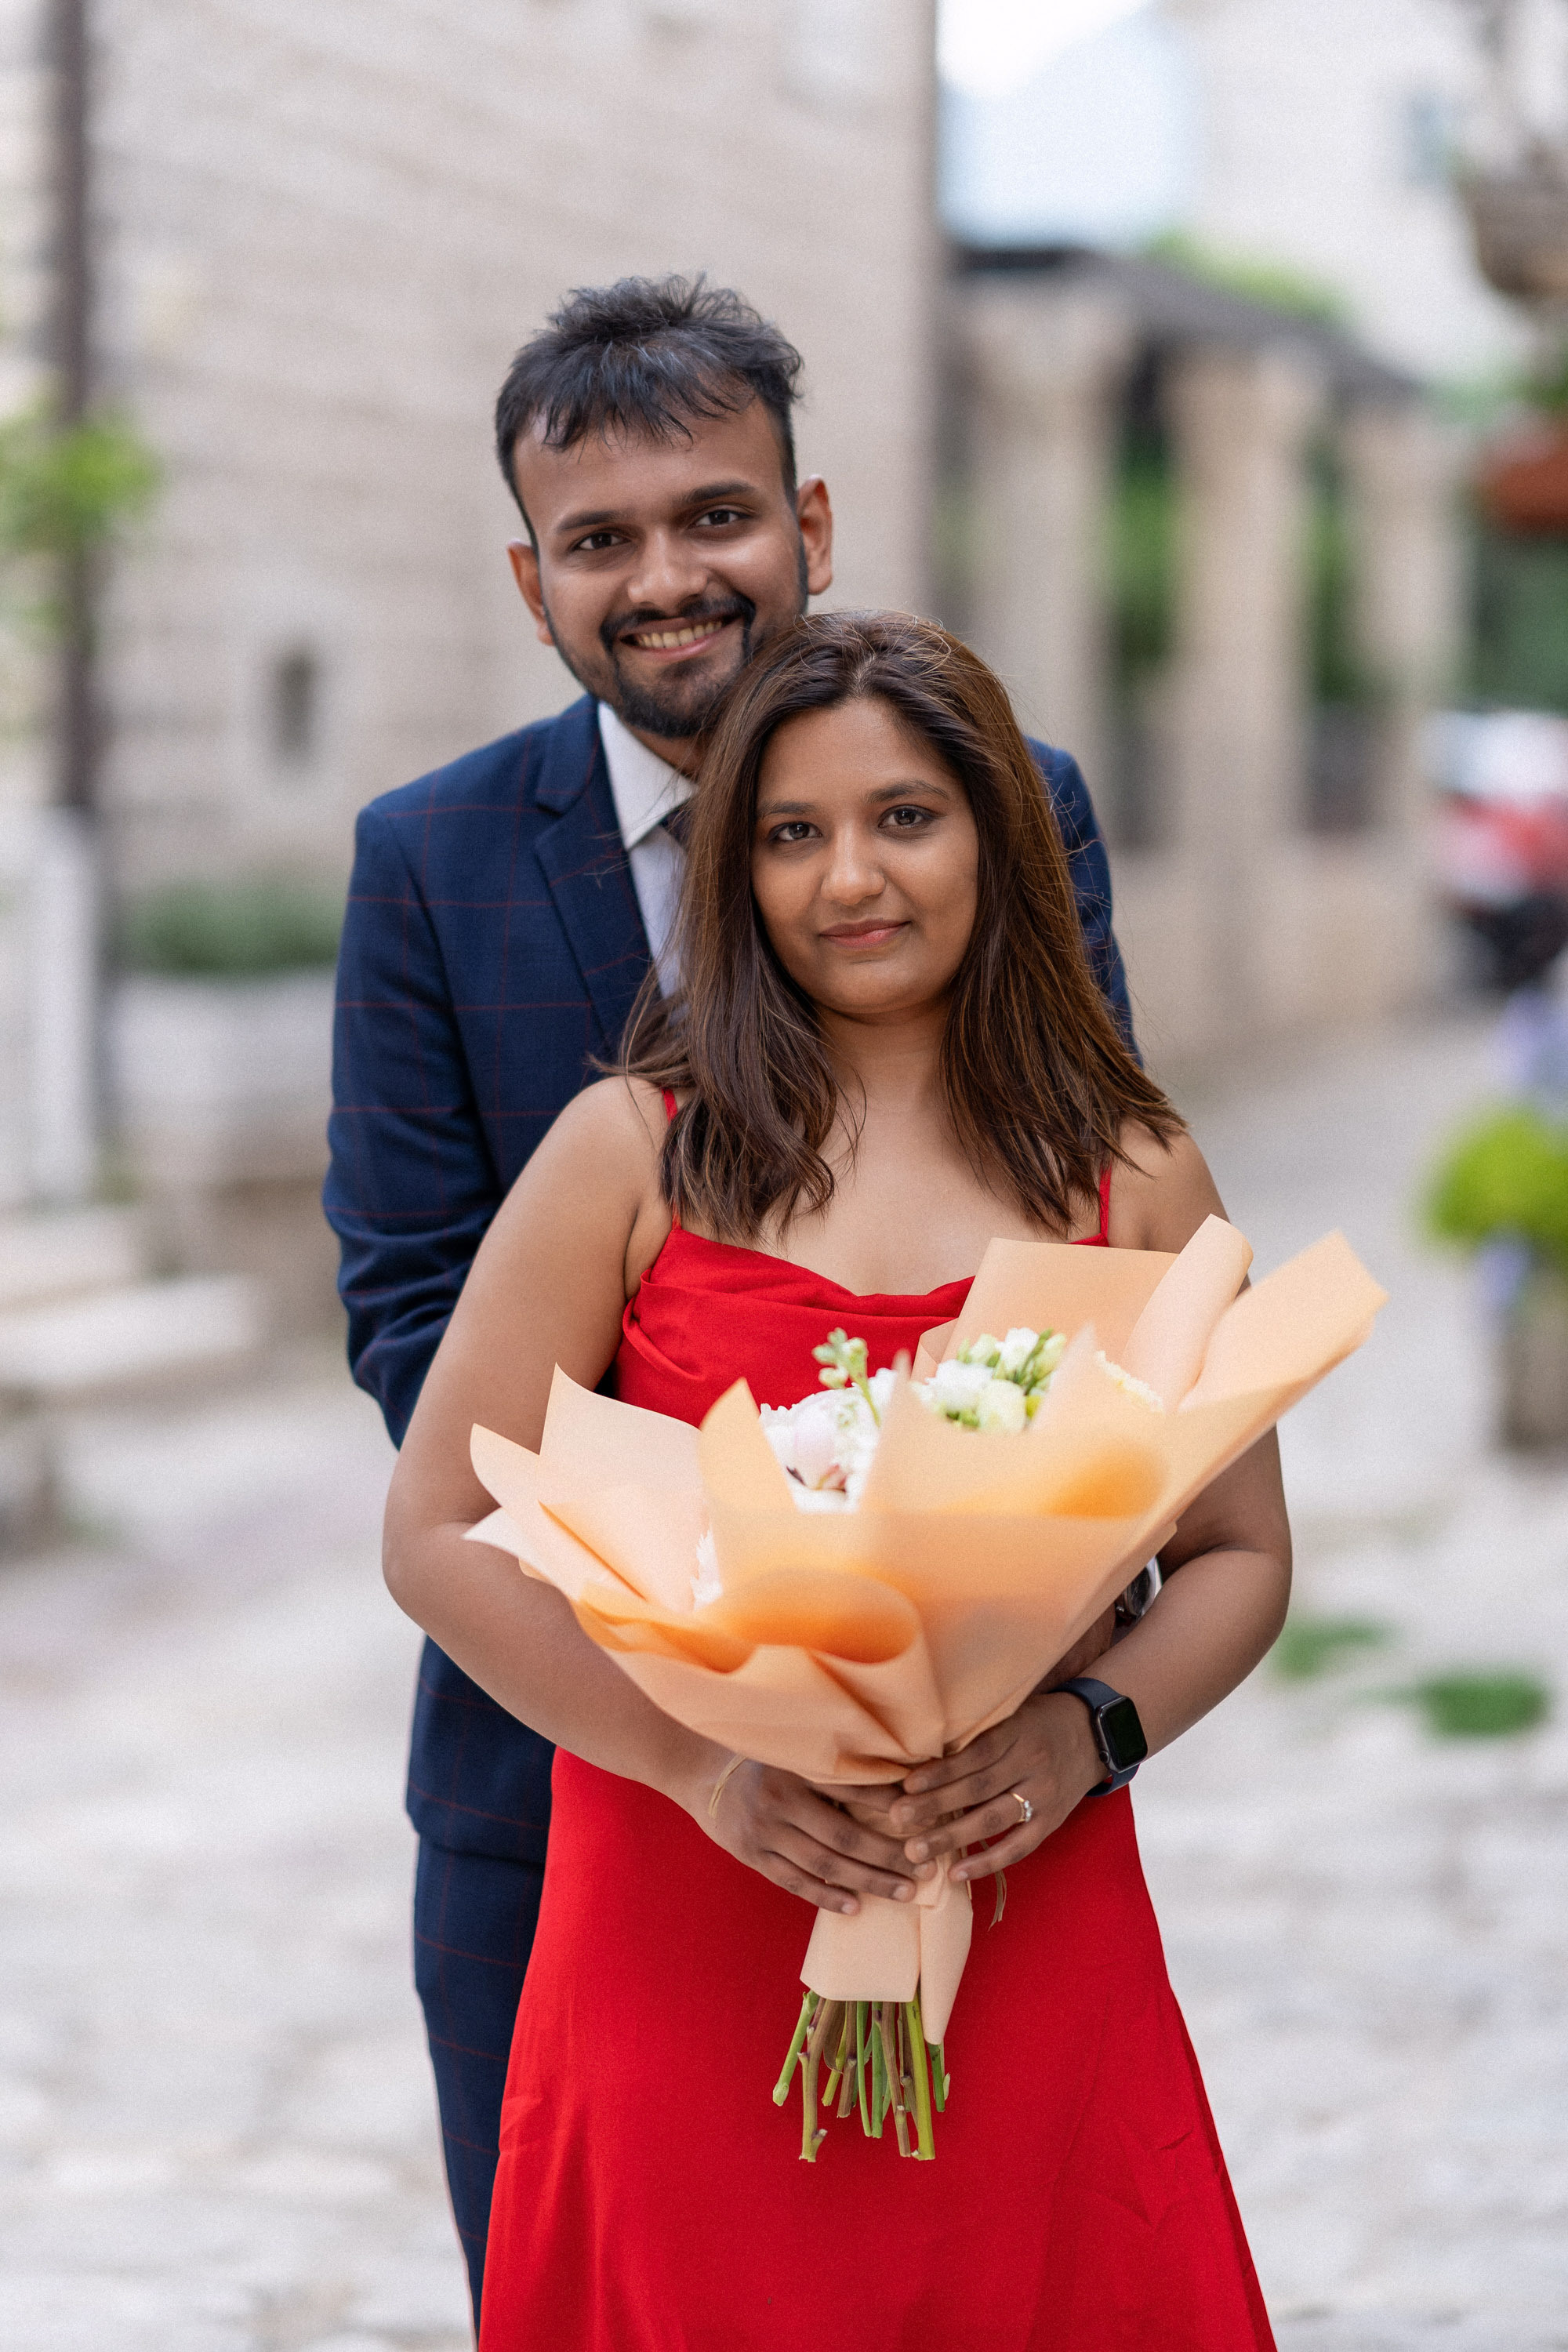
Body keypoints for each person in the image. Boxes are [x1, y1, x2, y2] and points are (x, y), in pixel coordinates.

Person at [323, 277, 1134, 2320]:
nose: (667, 578)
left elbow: (1077, 1262)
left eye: (717, 518)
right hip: (564, 1780)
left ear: (815, 527)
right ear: (533, 582)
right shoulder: (426, 861)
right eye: (601, 541)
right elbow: (414, 1300)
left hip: (958, 1777)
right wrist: (740, 1585)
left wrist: (932, 1622)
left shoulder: (1007, 810)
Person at [383, 612, 1290, 2350]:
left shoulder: (1136, 1172)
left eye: (905, 817)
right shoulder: (627, 1151)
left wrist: (1082, 1735)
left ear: (997, 840)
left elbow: (1242, 1551)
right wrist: (701, 1764)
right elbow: (434, 1531)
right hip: (676, 1902)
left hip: (1023, 1893)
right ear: (734, 871)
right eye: (792, 833)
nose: (849, 877)